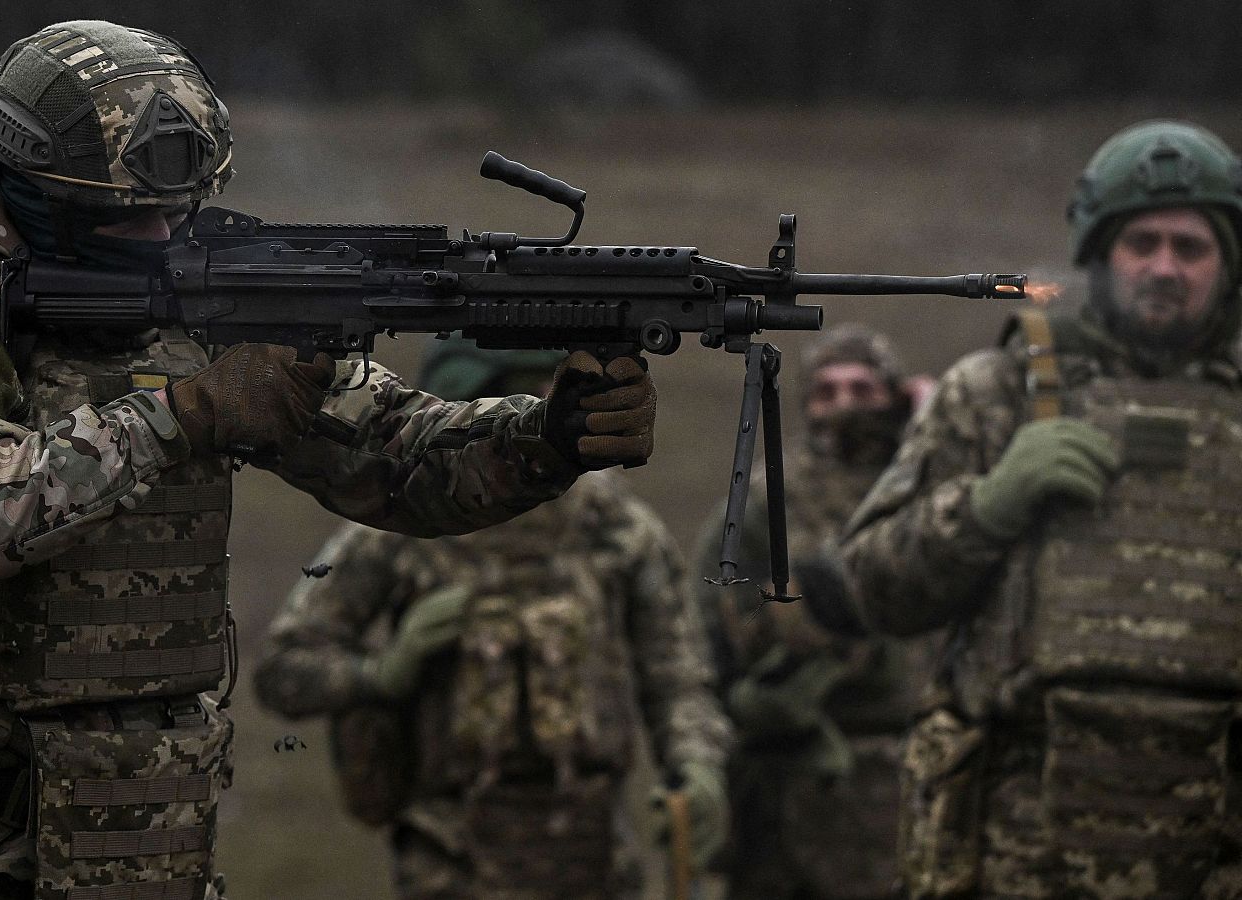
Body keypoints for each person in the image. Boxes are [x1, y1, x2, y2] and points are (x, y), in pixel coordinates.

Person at [0, 20, 658, 900]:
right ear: (29, 195)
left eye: (176, 210)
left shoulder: (200, 300)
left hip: (133, 841)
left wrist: (547, 438)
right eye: (127, 215)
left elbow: (395, 456)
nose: (162, 237)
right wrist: (182, 415)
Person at [831, 120, 1242, 897]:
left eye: (1190, 248)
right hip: (1014, 856)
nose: (1164, 267)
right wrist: (986, 508)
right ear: (1100, 252)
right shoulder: (996, 394)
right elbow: (870, 588)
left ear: (1228, 263)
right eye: (1142, 243)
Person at [254, 338, 731, 900]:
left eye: (545, 392)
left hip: (594, 860)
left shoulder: (616, 526)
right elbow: (282, 668)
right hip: (450, 862)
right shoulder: (395, 531)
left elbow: (677, 676)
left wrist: (696, 766)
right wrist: (381, 672)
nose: (529, 410)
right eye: (510, 395)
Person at [691, 324, 938, 900]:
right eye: (827, 391)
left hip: (913, 763)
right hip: (795, 770)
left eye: (863, 388)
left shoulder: (928, 488)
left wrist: (933, 426)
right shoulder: (764, 499)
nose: (844, 404)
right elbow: (714, 628)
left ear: (895, 397)